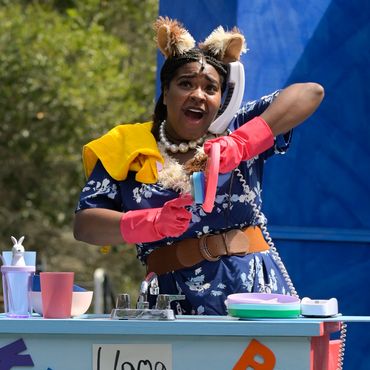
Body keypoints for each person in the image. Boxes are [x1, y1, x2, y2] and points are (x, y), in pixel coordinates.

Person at [73, 17, 324, 315]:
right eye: (185, 84)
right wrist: (152, 222)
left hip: (253, 297)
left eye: (210, 88)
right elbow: (85, 225)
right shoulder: (126, 146)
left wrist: (243, 142)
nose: (198, 95)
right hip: (170, 303)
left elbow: (311, 92)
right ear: (166, 94)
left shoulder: (234, 129)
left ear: (221, 100)